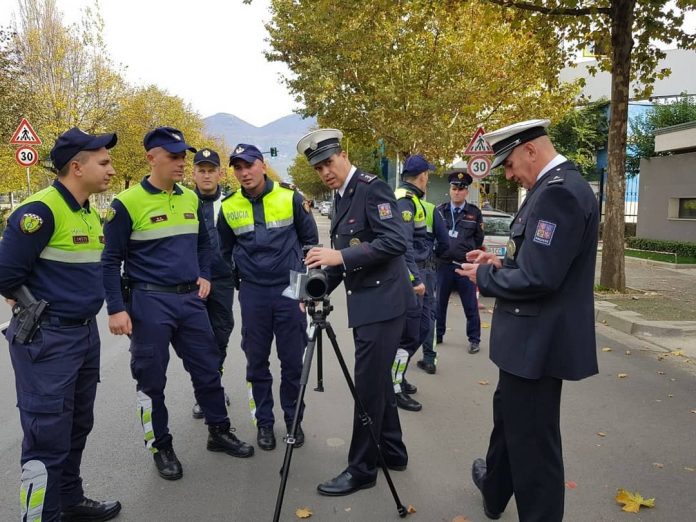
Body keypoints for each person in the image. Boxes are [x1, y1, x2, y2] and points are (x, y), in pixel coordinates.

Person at [456, 119, 599, 521]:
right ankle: (494, 489)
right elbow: (538, 261)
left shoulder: (559, 194)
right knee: (509, 421)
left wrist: (485, 277)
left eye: (509, 164)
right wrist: (499, 262)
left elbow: (540, 278)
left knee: (534, 449)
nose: (508, 174)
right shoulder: (551, 188)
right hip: (528, 343)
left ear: (531, 150)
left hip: (537, 344)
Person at [102, 126, 254, 482]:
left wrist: (204, 274)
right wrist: (115, 308)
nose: (181, 163)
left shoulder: (189, 199)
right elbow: (109, 261)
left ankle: (219, 431)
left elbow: (203, 243)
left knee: (208, 368)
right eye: (173, 157)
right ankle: (161, 446)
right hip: (149, 302)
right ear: (151, 158)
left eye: (183, 156)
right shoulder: (126, 204)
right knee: (151, 379)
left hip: (189, 300)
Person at [0, 128, 121, 522]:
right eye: (103, 162)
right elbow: (6, 274)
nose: (111, 169)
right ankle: (41, 517)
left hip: (82, 334)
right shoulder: (40, 212)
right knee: (46, 435)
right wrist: (29, 303)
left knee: (76, 425)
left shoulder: (85, 211)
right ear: (77, 167)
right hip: (48, 338)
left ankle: (69, 500)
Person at [300, 128, 414, 496]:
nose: (325, 172)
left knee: (367, 388)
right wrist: (315, 290)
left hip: (384, 305)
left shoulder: (371, 188)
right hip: (369, 305)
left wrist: (340, 256)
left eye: (329, 163)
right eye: (318, 168)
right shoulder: (342, 196)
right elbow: (343, 260)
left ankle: (362, 469)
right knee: (377, 382)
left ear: (344, 155)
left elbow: (395, 240)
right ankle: (393, 451)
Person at [218, 143, 318, 451]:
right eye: (238, 168)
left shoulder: (290, 197)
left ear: (262, 165)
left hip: (289, 291)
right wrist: (239, 281)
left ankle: (293, 420)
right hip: (253, 293)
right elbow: (224, 251)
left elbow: (310, 245)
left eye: (249, 165)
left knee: (292, 362)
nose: (244, 172)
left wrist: (305, 292)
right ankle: (263, 423)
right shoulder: (228, 206)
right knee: (256, 362)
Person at [190, 148, 235, 419]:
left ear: (220, 174)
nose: (206, 175)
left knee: (220, 335)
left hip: (222, 280)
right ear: (193, 173)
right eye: (201, 170)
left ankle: (214, 385)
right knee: (197, 339)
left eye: (211, 170)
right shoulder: (183, 202)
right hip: (192, 282)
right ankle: (204, 394)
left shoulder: (231, 203)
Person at [390, 154, 434, 412]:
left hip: (420, 272)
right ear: (423, 176)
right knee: (409, 336)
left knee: (422, 329)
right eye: (428, 175)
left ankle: (398, 374)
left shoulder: (411, 199)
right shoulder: (405, 201)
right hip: (411, 278)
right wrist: (415, 280)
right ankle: (394, 386)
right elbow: (403, 245)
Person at [434, 171, 483, 353]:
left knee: (470, 305)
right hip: (443, 264)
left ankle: (474, 339)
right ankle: (438, 335)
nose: (457, 192)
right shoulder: (440, 211)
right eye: (454, 189)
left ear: (466, 192)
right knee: (439, 303)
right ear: (450, 190)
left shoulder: (474, 213)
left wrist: (467, 252)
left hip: (464, 266)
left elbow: (478, 238)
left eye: (461, 189)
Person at [416, 179, 450, 375]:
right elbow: (445, 242)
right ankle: (429, 359)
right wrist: (433, 257)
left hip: (401, 270)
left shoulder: (395, 204)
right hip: (426, 270)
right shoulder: (430, 209)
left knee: (400, 314)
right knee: (428, 314)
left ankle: (398, 359)